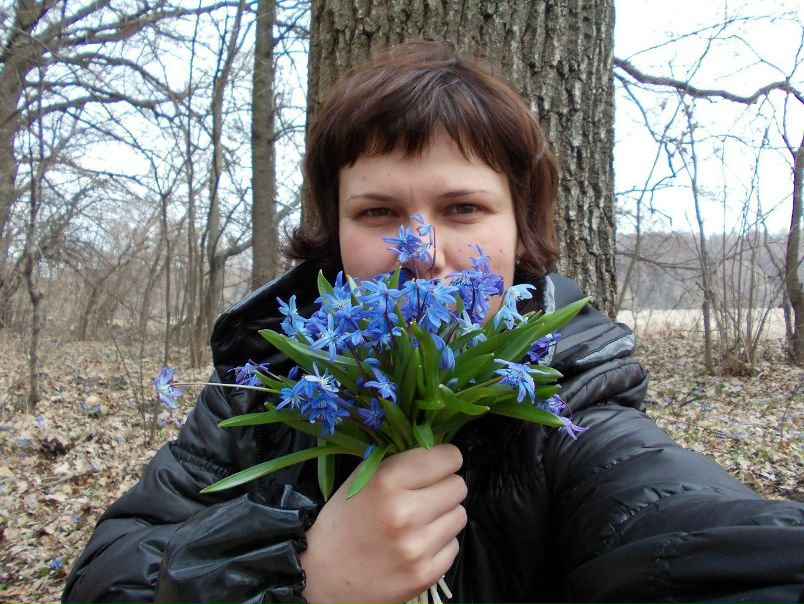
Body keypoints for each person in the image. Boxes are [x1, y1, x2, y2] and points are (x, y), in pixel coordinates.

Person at [63, 40, 804, 604]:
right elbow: (109, 573)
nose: (424, 253)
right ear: (334, 234)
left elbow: (687, 530)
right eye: (379, 212)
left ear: (520, 230)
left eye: (464, 208)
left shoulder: (570, 400)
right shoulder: (261, 392)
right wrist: (297, 578)